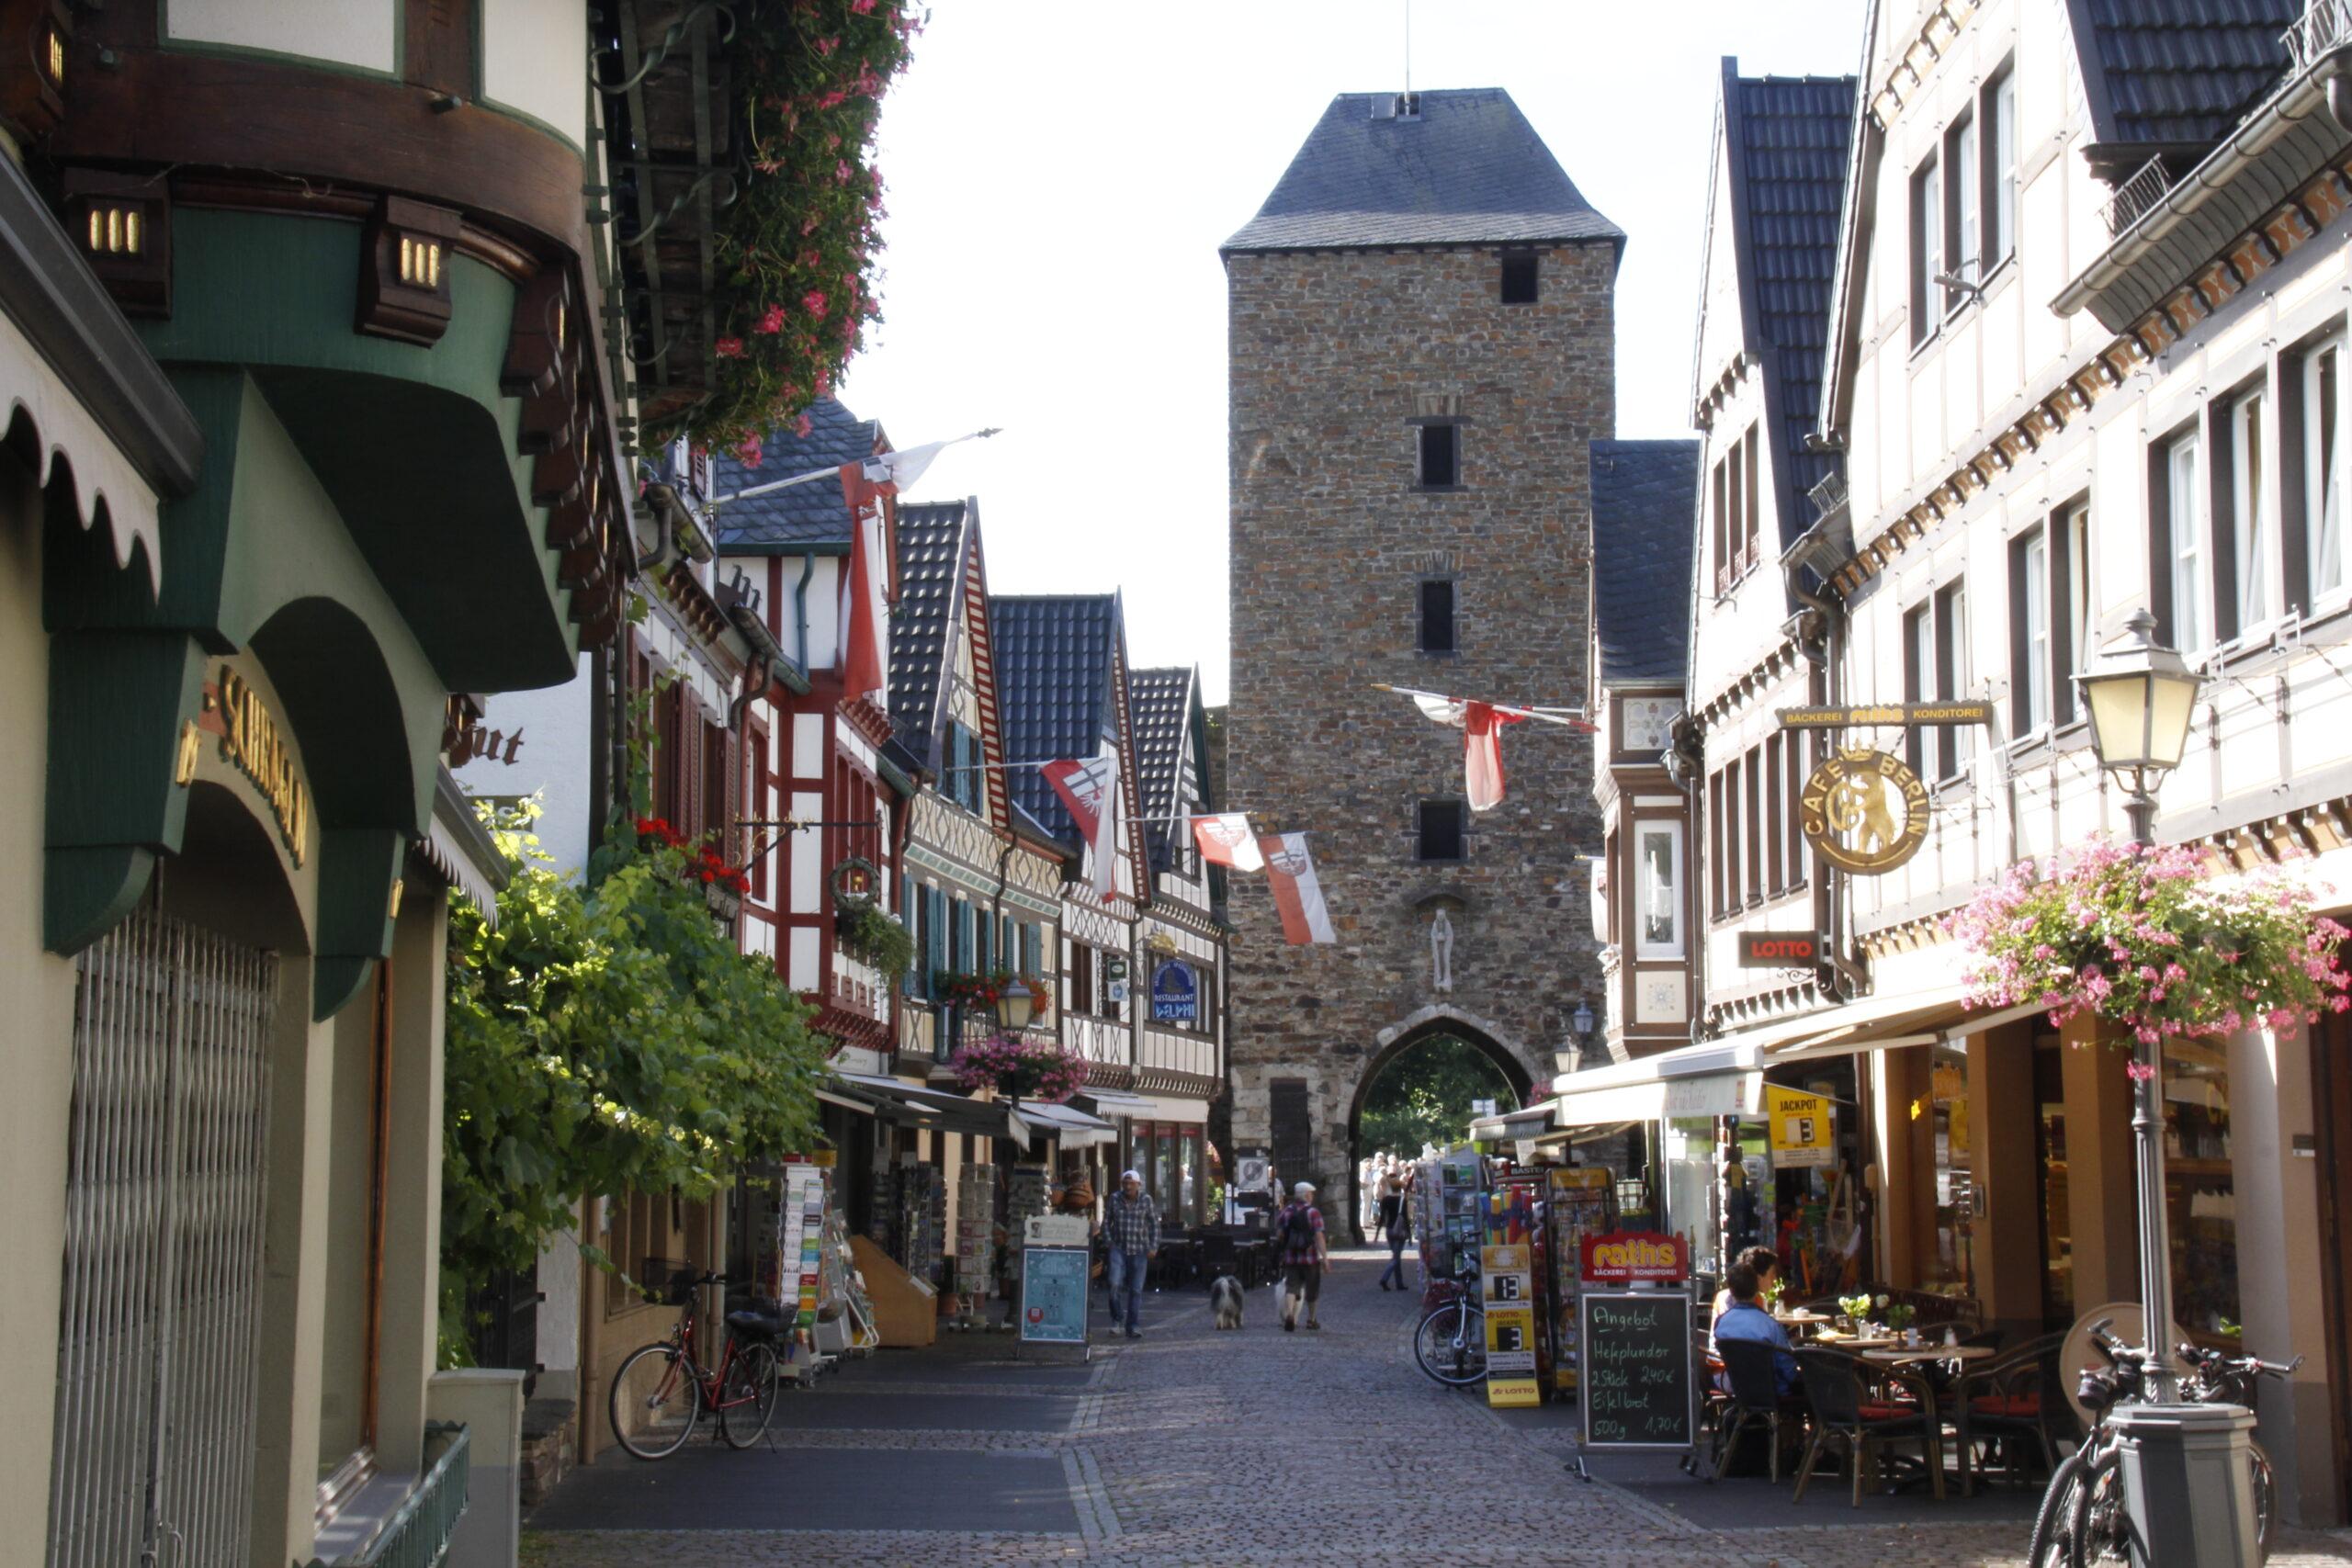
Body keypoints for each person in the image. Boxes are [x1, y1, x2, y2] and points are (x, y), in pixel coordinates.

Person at [1710, 1262, 1798, 1395]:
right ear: (1757, 1289)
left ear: (1731, 1291)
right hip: (1770, 1391)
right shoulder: (1771, 1326)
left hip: (1734, 1387)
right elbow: (1788, 1370)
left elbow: (1715, 1356)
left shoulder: (1721, 1324)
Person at [1101, 1168, 1159, 1341]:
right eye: (1125, 1183)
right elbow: (1106, 1222)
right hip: (1118, 1248)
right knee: (1114, 1284)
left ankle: (1133, 1325)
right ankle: (1117, 1318)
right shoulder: (1114, 1198)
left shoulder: (1146, 1200)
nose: (1128, 1187)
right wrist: (1109, 1242)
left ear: (1138, 1185)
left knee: (1136, 1290)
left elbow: (1154, 1225)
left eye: (1131, 1184)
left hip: (1139, 1250)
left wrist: (1153, 1247)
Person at [1274, 1179, 1329, 1331]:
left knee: (1291, 1287)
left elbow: (1279, 1234)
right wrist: (1324, 1258)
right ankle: (1311, 1320)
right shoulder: (1313, 1212)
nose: (1312, 1196)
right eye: (1311, 1194)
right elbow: (1319, 1236)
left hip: (1291, 1257)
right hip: (1310, 1258)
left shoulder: (1287, 1211)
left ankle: (1289, 1315)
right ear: (1306, 1195)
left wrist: (1286, 1244)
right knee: (1312, 1289)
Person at [1711, 1245, 1781, 1328]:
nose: (1774, 1279)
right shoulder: (1728, 1298)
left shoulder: (1758, 1299)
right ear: (1759, 1277)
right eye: (1772, 1274)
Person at [1376, 1166, 1414, 1292]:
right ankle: (1384, 1278)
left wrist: (1377, 1234)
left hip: (1389, 1230)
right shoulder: (1402, 1200)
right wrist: (1409, 1235)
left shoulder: (1386, 1200)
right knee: (1396, 1258)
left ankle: (1399, 1283)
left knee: (1396, 1256)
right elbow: (1406, 1218)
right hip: (1399, 1230)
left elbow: (1382, 1218)